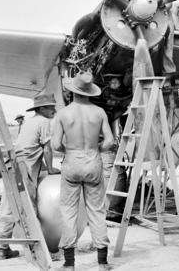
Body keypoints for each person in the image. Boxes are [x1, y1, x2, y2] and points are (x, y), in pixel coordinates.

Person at [52, 72, 114, 271]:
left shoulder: (63, 114)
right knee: (96, 211)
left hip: (71, 161)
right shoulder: (99, 113)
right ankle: (102, 263)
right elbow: (110, 141)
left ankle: (69, 264)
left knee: (69, 212)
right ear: (90, 92)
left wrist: (69, 151)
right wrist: (97, 150)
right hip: (93, 160)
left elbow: (55, 145)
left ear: (72, 91)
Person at [0, 93, 59, 260]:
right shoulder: (44, 122)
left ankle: (2, 248)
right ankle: (36, 252)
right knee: (28, 210)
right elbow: (46, 149)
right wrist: (51, 170)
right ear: (42, 109)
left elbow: (29, 148)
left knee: (9, 208)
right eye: (51, 107)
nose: (54, 109)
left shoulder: (30, 122)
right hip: (23, 169)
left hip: (11, 165)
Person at [144, 0, 175, 75]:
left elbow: (169, 3)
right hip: (151, 18)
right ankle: (147, 71)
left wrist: (159, 8)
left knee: (168, 44)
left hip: (165, 17)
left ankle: (168, 72)